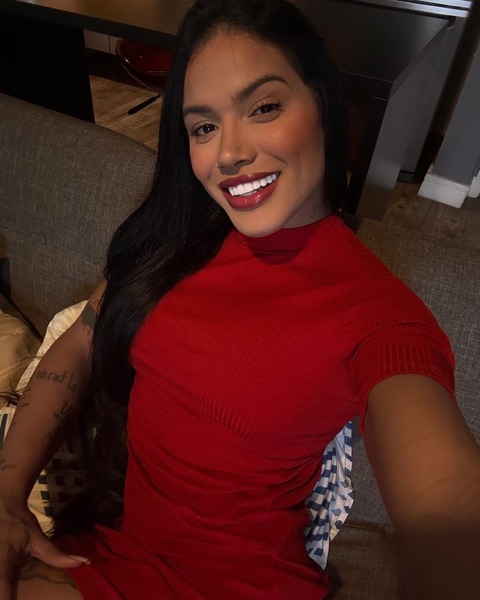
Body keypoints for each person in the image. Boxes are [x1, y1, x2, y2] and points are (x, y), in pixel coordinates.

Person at [1, 0, 479, 598]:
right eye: (204, 127)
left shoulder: (379, 318)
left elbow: (446, 509)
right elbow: (82, 340)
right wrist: (8, 495)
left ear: (324, 106)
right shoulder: (176, 238)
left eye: (263, 107)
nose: (228, 153)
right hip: (114, 551)